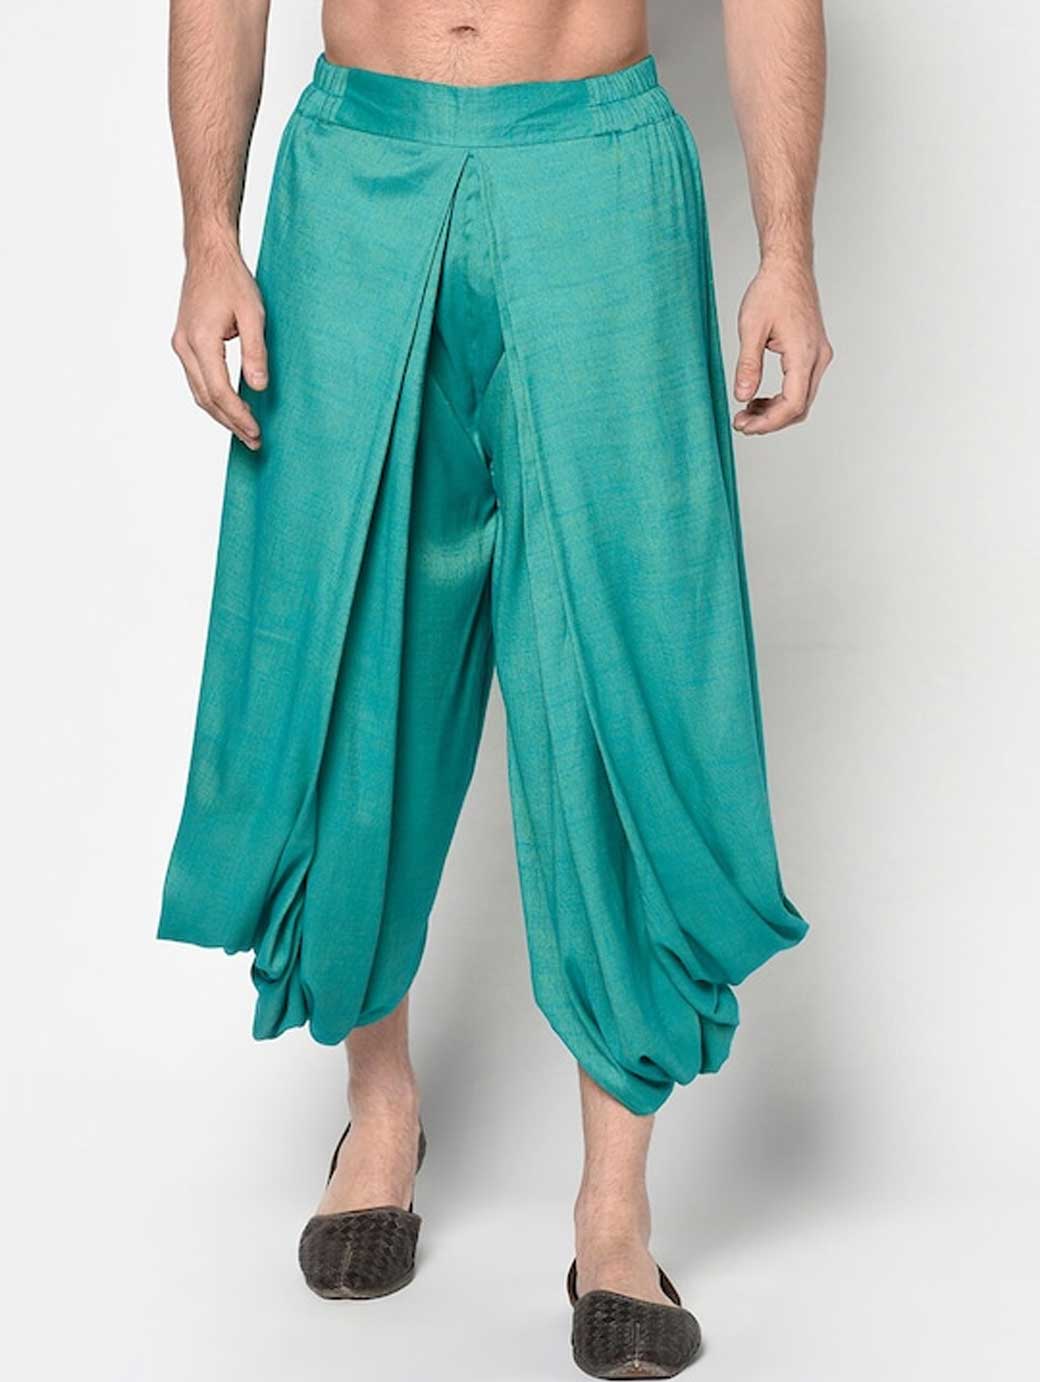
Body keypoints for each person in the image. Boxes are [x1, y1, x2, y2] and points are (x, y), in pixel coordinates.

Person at [160, 1, 831, 1374]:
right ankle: (381, 1111)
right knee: (352, 639)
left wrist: (789, 251)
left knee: (628, 655)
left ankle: (614, 1209)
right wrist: (208, 236)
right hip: (359, 163)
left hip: (597, 166)